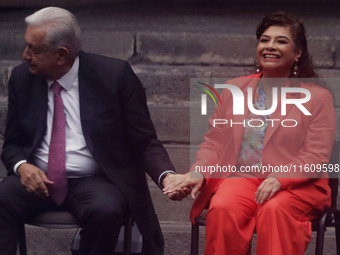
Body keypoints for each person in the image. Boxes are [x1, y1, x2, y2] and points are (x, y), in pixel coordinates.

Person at [0, 7, 179, 255]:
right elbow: (12, 144)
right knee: (2, 198)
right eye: (26, 45)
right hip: (37, 179)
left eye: (34, 49)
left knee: (106, 210)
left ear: (62, 55)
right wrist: (22, 166)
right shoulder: (22, 78)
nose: (25, 55)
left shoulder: (115, 76)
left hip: (94, 180)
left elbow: (144, 141)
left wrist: (166, 175)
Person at [164, 11, 336, 254]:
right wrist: (199, 171)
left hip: (298, 186)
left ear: (298, 53)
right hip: (244, 178)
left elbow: (315, 156)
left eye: (281, 41)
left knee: (274, 209)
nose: (270, 46)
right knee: (223, 206)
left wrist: (279, 178)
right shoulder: (235, 89)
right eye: (265, 40)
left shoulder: (317, 97)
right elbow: (215, 143)